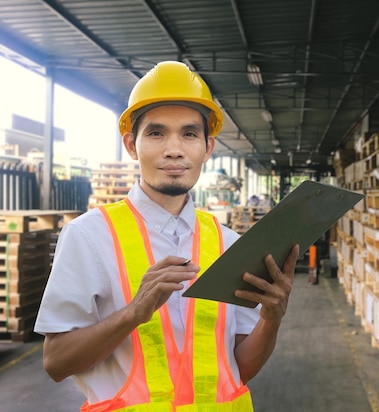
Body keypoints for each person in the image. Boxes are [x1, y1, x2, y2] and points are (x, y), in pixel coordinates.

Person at [34, 61, 299, 411]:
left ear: (207, 147)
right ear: (132, 145)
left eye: (189, 134)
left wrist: (270, 319)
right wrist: (132, 314)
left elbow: (239, 368)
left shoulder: (228, 243)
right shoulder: (88, 236)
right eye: (157, 133)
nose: (174, 149)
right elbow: (56, 362)